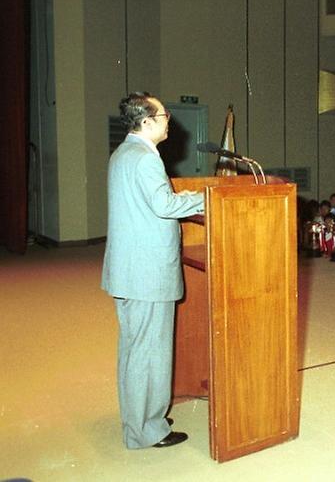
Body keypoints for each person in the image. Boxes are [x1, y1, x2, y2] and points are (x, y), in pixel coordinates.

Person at [102, 92, 205, 449]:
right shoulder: (145, 159)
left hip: (130, 270)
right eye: (163, 115)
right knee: (149, 352)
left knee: (136, 350)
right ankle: (148, 429)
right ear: (146, 122)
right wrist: (205, 198)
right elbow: (163, 205)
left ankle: (140, 419)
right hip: (146, 273)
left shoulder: (124, 152)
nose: (169, 121)